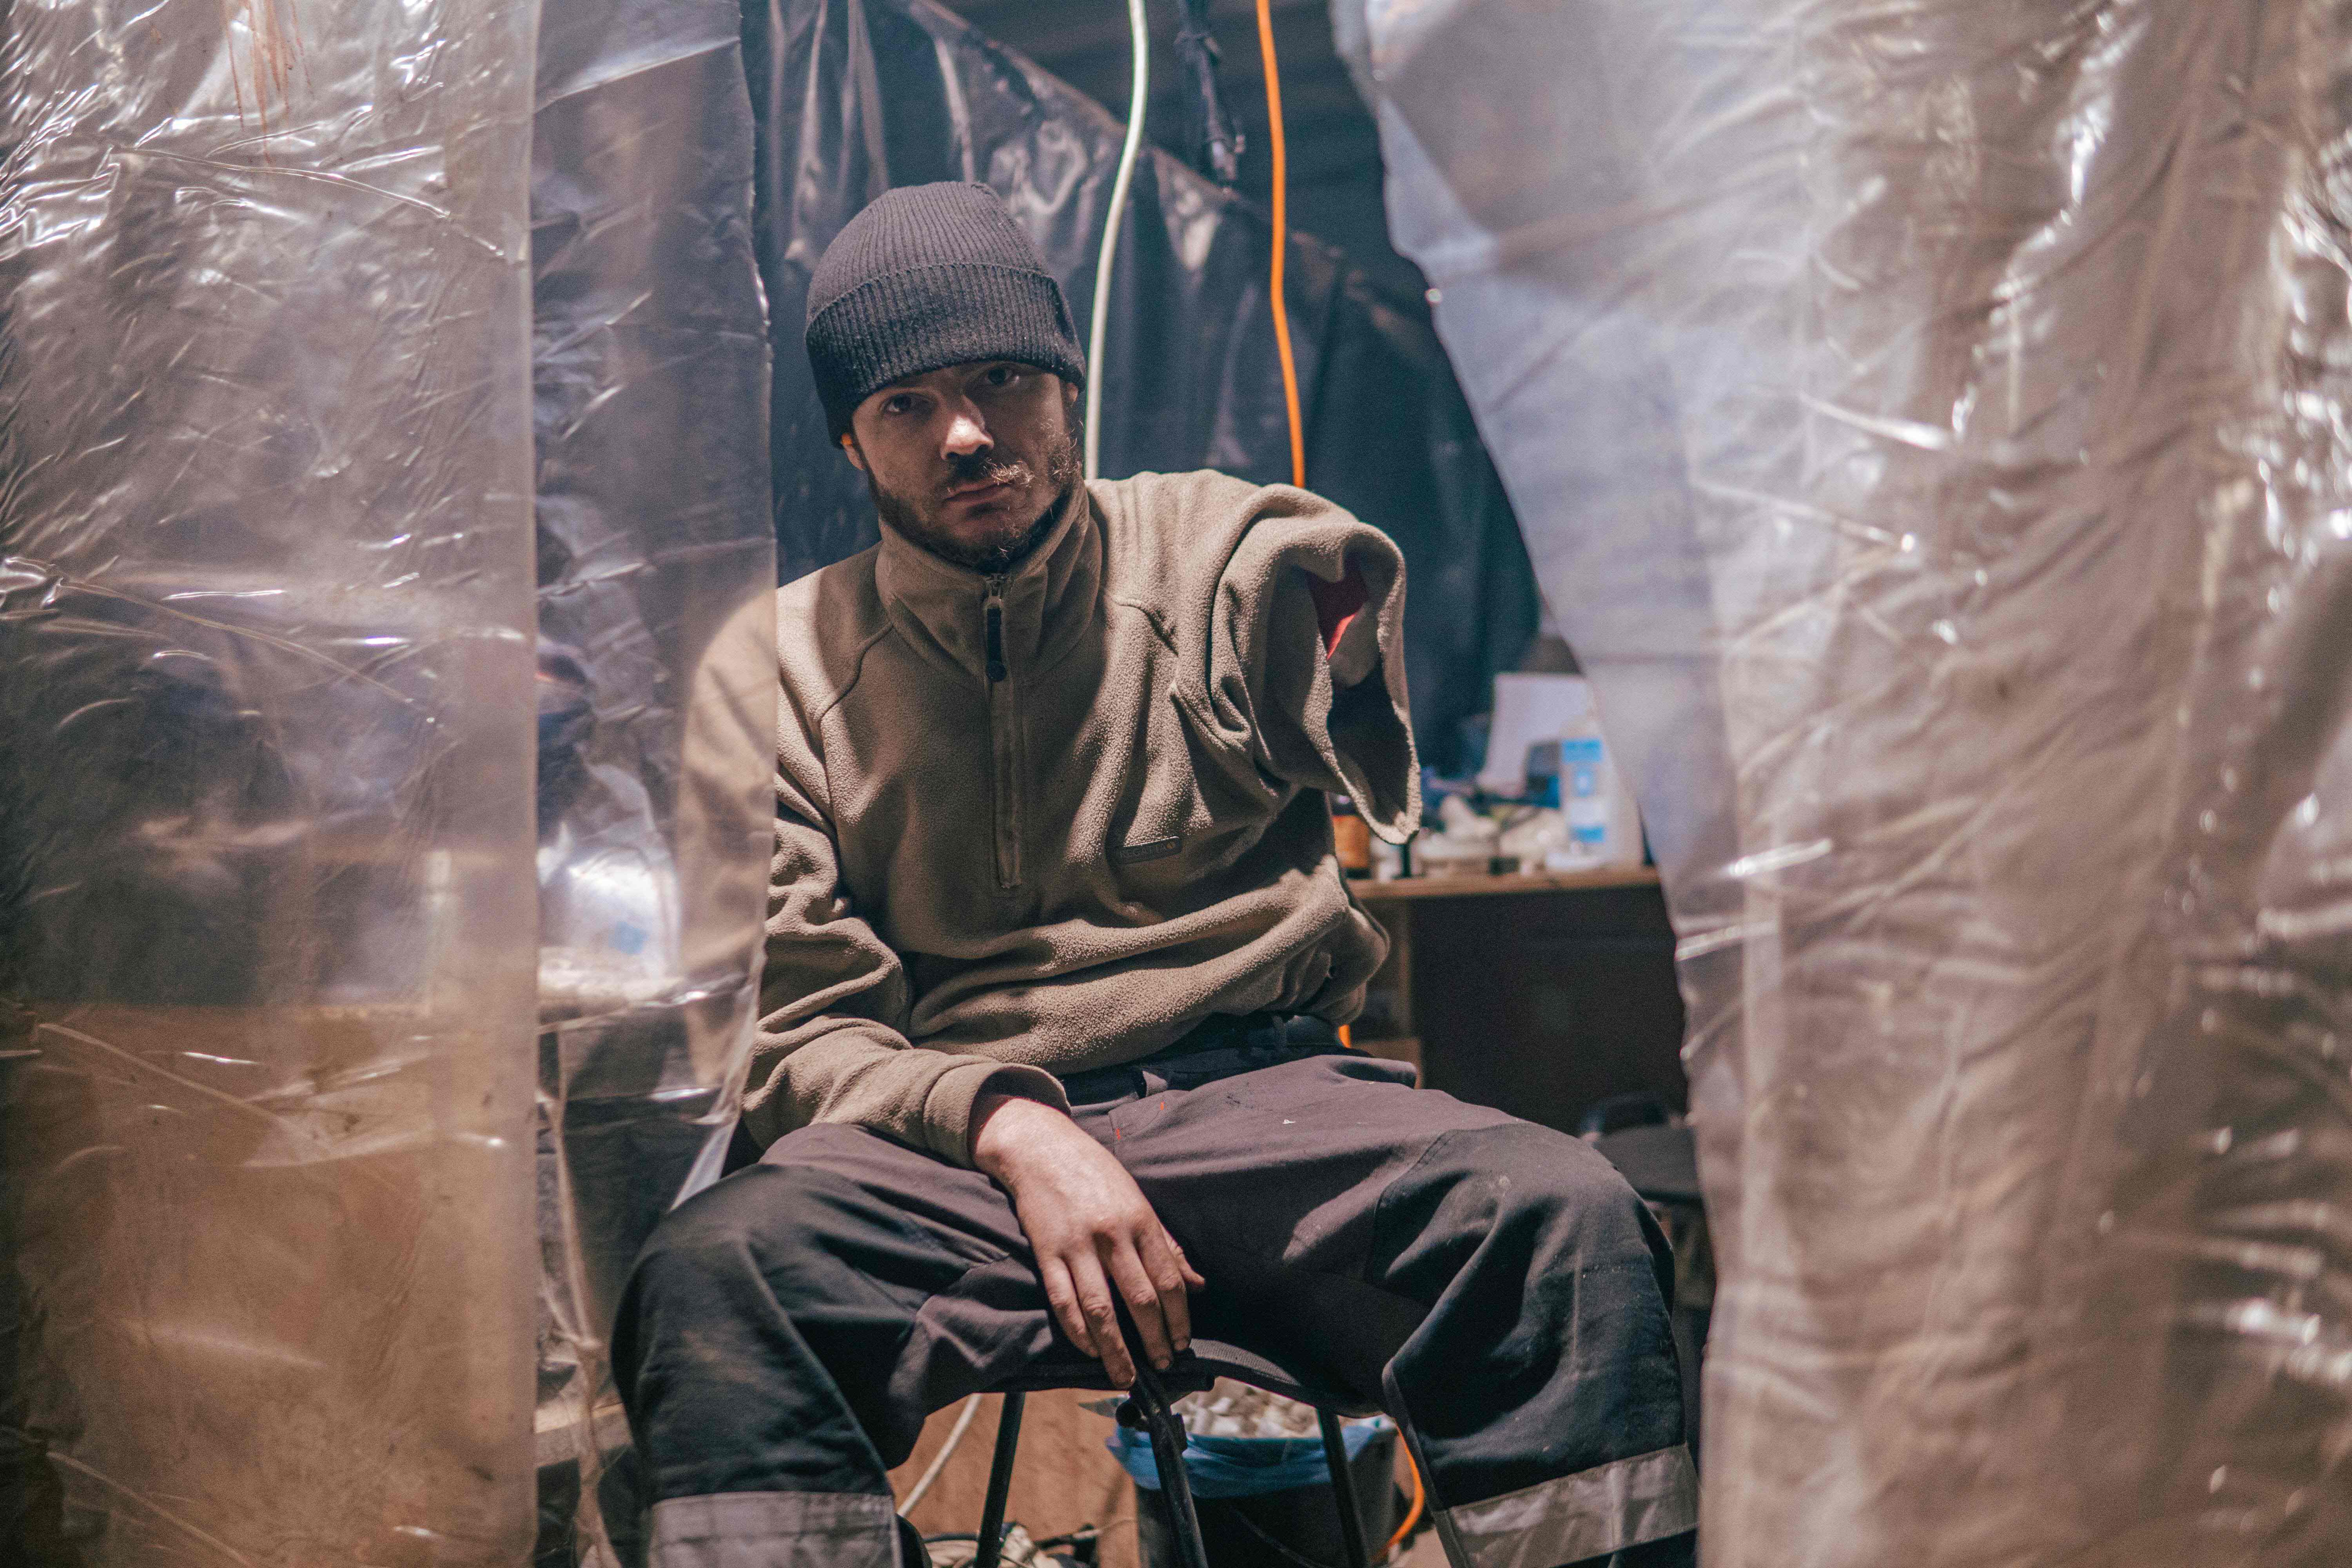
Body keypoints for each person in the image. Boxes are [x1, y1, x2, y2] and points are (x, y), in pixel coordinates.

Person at [612, 182, 1697, 1568]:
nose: (966, 432)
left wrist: (1338, 636)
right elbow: (794, 1024)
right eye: (907, 404)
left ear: (1067, 386)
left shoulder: (1198, 548)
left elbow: (1299, 574)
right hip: (961, 1164)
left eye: (1003, 379)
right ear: (849, 436)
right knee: (719, 1280)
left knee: (1560, 1223)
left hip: (1271, 1120)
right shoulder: (774, 668)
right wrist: (1014, 1127)